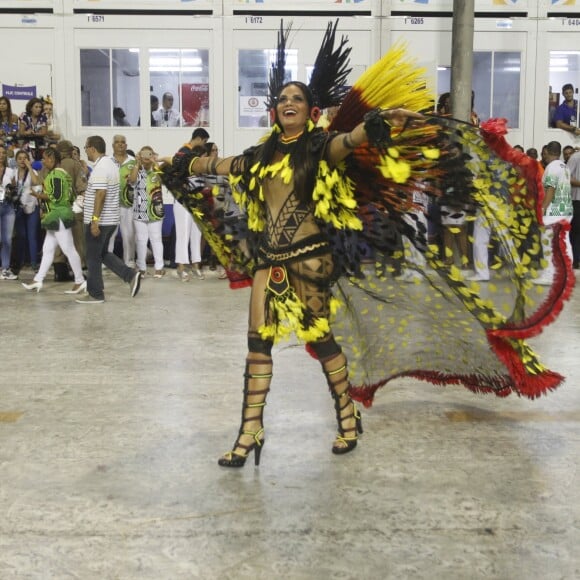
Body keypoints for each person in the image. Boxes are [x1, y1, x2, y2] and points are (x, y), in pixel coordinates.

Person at [78, 135, 141, 304]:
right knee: (103, 253)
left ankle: (95, 294)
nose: (86, 152)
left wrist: (95, 220)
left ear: (92, 148)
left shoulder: (101, 168)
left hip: (101, 221)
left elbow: (101, 193)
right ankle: (130, 275)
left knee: (92, 257)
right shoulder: (111, 165)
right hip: (111, 219)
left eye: (86, 148)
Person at [21, 148, 85, 294]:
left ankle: (80, 281)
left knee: (69, 249)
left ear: (51, 159)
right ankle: (38, 280)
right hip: (57, 216)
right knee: (48, 250)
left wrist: (35, 194)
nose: (43, 161)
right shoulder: (58, 174)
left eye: (44, 159)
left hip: (58, 215)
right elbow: (39, 181)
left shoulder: (56, 176)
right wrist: (30, 167)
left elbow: (54, 197)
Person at [168, 129, 209, 281]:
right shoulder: (182, 153)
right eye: (204, 141)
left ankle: (196, 265)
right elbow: (173, 174)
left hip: (196, 202)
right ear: (198, 139)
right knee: (183, 234)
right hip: (183, 202)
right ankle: (181, 267)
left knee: (196, 234)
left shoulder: (199, 159)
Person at [533, 140, 573, 285]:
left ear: (548, 152)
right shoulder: (564, 167)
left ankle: (549, 275)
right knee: (564, 243)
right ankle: (567, 275)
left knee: (548, 242)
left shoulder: (552, 167)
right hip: (566, 210)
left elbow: (550, 189)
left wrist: (543, 208)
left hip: (553, 212)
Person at [128, 146, 165, 277]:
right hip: (139, 210)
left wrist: (155, 162)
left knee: (156, 239)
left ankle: (159, 268)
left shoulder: (157, 170)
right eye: (144, 154)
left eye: (149, 154)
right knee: (141, 240)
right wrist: (137, 163)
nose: (146, 156)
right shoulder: (136, 169)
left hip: (155, 210)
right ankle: (142, 268)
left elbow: (164, 179)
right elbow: (131, 181)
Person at [12, 149, 42, 273]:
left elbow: (36, 183)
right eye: (20, 158)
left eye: (25, 158)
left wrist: (30, 167)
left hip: (32, 206)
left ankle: (34, 263)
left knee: (32, 236)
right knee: (21, 236)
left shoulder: (33, 171)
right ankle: (21, 261)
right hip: (18, 207)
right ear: (16, 160)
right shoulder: (13, 173)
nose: (22, 160)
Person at [111, 135, 136, 267]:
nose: (120, 145)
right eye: (117, 142)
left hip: (129, 204)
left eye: (123, 142)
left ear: (126, 145)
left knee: (129, 234)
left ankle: (129, 261)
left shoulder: (133, 162)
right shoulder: (107, 161)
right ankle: (106, 261)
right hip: (110, 204)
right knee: (109, 234)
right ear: (112, 145)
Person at [0, 144, 18, 279]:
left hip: (8, 206)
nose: (1, 155)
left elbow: (14, 189)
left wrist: (10, 191)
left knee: (7, 239)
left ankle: (5, 268)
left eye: (3, 153)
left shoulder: (10, 171)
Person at [566, 148, 580, 269]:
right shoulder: (575, 157)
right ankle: (576, 260)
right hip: (577, 200)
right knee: (576, 232)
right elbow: (566, 177)